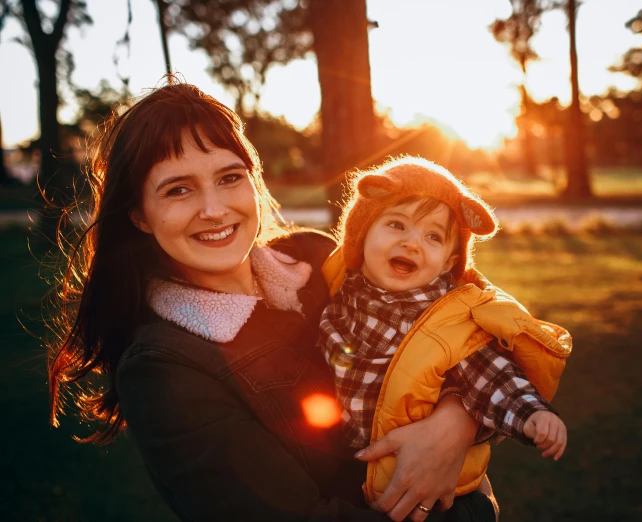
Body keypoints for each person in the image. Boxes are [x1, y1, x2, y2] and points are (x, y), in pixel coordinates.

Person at [46, 81, 498, 522]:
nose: (215, 209)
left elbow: (462, 327)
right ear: (139, 215)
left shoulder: (319, 257)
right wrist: (474, 510)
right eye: (178, 189)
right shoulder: (163, 368)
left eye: (229, 178)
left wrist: (456, 421)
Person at [317, 157, 573, 505]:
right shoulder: (340, 295)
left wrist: (532, 414)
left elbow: (492, 376)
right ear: (363, 234)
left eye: (433, 236)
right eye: (396, 224)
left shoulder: (447, 319)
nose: (412, 243)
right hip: (351, 475)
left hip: (427, 481)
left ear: (450, 262)